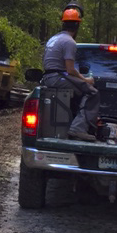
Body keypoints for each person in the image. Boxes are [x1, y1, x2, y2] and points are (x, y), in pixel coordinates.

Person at [41, 8, 100, 142]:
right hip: (57, 77)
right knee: (92, 93)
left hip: (49, 77)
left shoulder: (54, 39)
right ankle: (78, 129)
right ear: (77, 25)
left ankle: (72, 121)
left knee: (79, 91)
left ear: (63, 24)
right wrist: (86, 80)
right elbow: (70, 70)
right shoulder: (69, 42)